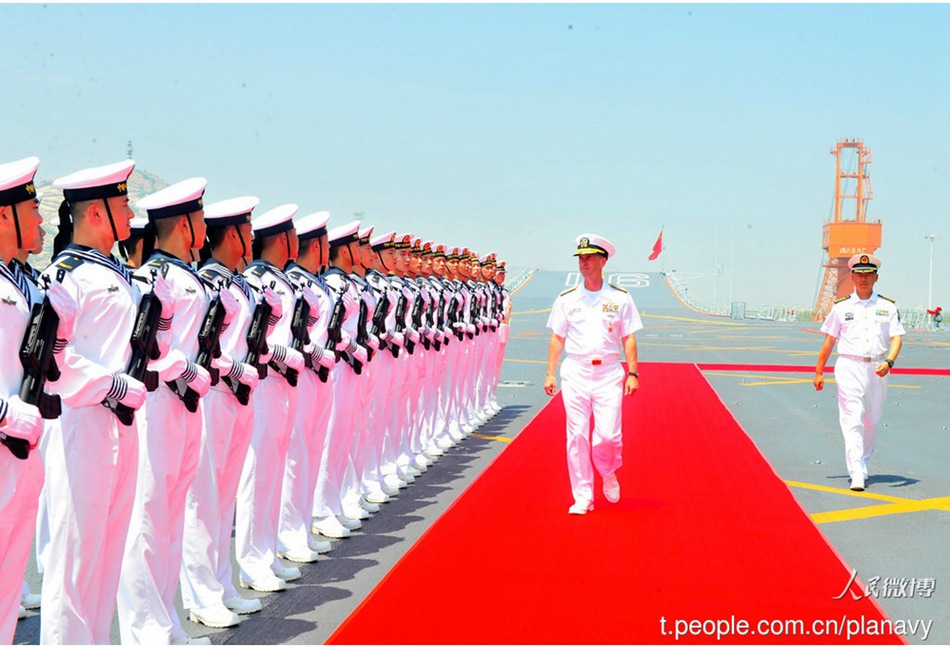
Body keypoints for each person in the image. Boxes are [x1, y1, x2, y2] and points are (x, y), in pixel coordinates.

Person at [40, 159, 148, 644]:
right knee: (75, 556)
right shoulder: (68, 275)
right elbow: (55, 360)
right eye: (122, 205)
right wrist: (111, 385)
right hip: (81, 424)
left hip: (122, 425)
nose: (130, 215)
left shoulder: (120, 273)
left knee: (108, 549)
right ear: (97, 213)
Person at [544, 234, 642, 515]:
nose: (583, 262)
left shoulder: (620, 298)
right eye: (580, 258)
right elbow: (557, 337)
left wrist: (633, 372)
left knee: (608, 435)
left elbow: (629, 337)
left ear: (603, 261)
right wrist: (550, 372)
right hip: (575, 371)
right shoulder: (567, 299)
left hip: (609, 373)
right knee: (576, 436)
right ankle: (583, 495)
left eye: (589, 257)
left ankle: (608, 471)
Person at [0, 157, 49, 644]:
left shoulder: (27, 283)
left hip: (25, 451)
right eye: (31, 208)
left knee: (10, 585)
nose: (40, 220)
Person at [814, 253, 905, 492]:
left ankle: (863, 460)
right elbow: (829, 341)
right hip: (849, 367)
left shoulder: (887, 307)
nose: (863, 279)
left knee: (872, 421)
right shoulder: (841, 307)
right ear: (852, 276)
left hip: (878, 368)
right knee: (852, 419)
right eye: (859, 274)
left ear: (876, 277)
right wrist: (819, 371)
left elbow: (896, 338)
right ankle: (856, 471)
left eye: (868, 275)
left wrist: (889, 361)